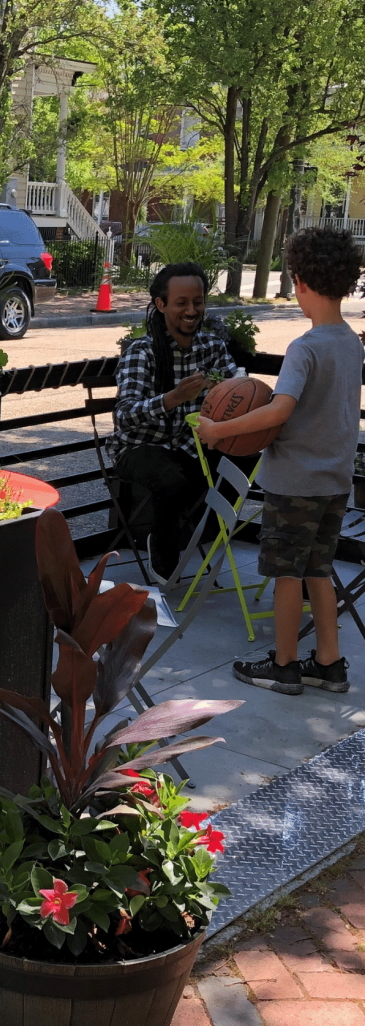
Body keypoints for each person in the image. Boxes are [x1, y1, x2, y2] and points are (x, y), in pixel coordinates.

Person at [197, 226, 364, 694]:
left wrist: (217, 430)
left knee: (286, 574)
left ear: (300, 281)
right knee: (319, 570)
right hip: (335, 482)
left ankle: (285, 665)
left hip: (294, 484)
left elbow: (278, 408)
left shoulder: (304, 348)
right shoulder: (352, 343)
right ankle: (329, 664)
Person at [108, 262, 239, 583]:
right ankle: (165, 553)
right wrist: (173, 398)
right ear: (161, 305)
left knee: (245, 461)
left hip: (191, 444)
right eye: (181, 302)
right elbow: (124, 416)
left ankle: (196, 536)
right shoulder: (143, 351)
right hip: (138, 447)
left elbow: (238, 387)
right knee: (171, 480)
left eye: (198, 301)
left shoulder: (212, 347)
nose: (192, 310)